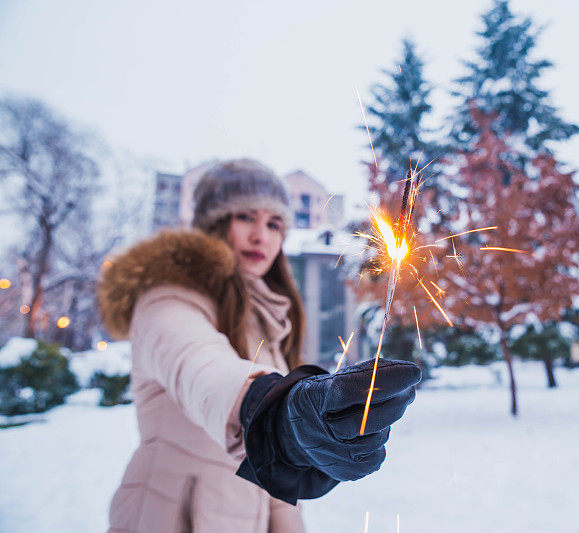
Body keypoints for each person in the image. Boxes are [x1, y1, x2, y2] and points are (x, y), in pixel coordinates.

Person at [98, 159, 420, 532]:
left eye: (274, 224)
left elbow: (273, 485)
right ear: (213, 224)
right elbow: (203, 369)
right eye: (246, 217)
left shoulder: (271, 318)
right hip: (170, 515)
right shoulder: (167, 299)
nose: (261, 236)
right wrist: (274, 412)